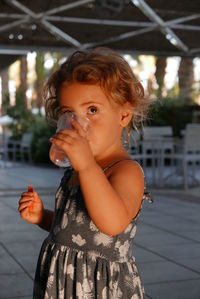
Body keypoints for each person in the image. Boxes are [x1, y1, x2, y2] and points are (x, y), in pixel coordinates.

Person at [18, 47, 153, 298]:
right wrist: (42, 217)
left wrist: (87, 167)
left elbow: (111, 224)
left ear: (124, 114)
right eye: (69, 113)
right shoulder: (77, 169)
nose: (78, 125)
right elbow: (71, 228)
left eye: (92, 110)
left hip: (98, 285)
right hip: (61, 281)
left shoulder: (126, 171)